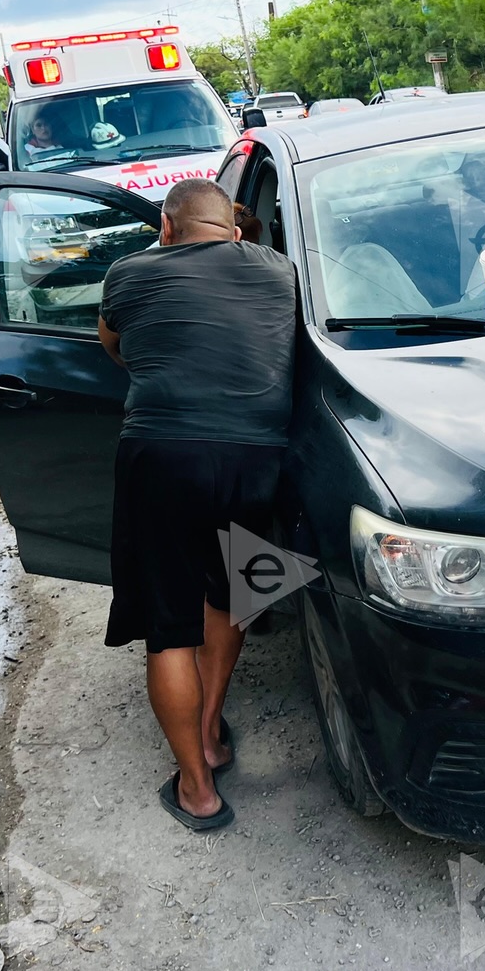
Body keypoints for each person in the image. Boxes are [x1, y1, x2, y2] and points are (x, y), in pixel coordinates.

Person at [96, 177, 296, 832]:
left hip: (162, 456)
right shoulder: (279, 269)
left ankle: (199, 789)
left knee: (169, 628)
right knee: (232, 595)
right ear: (234, 232)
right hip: (258, 459)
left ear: (166, 226)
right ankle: (210, 733)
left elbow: (116, 347)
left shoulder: (128, 273)